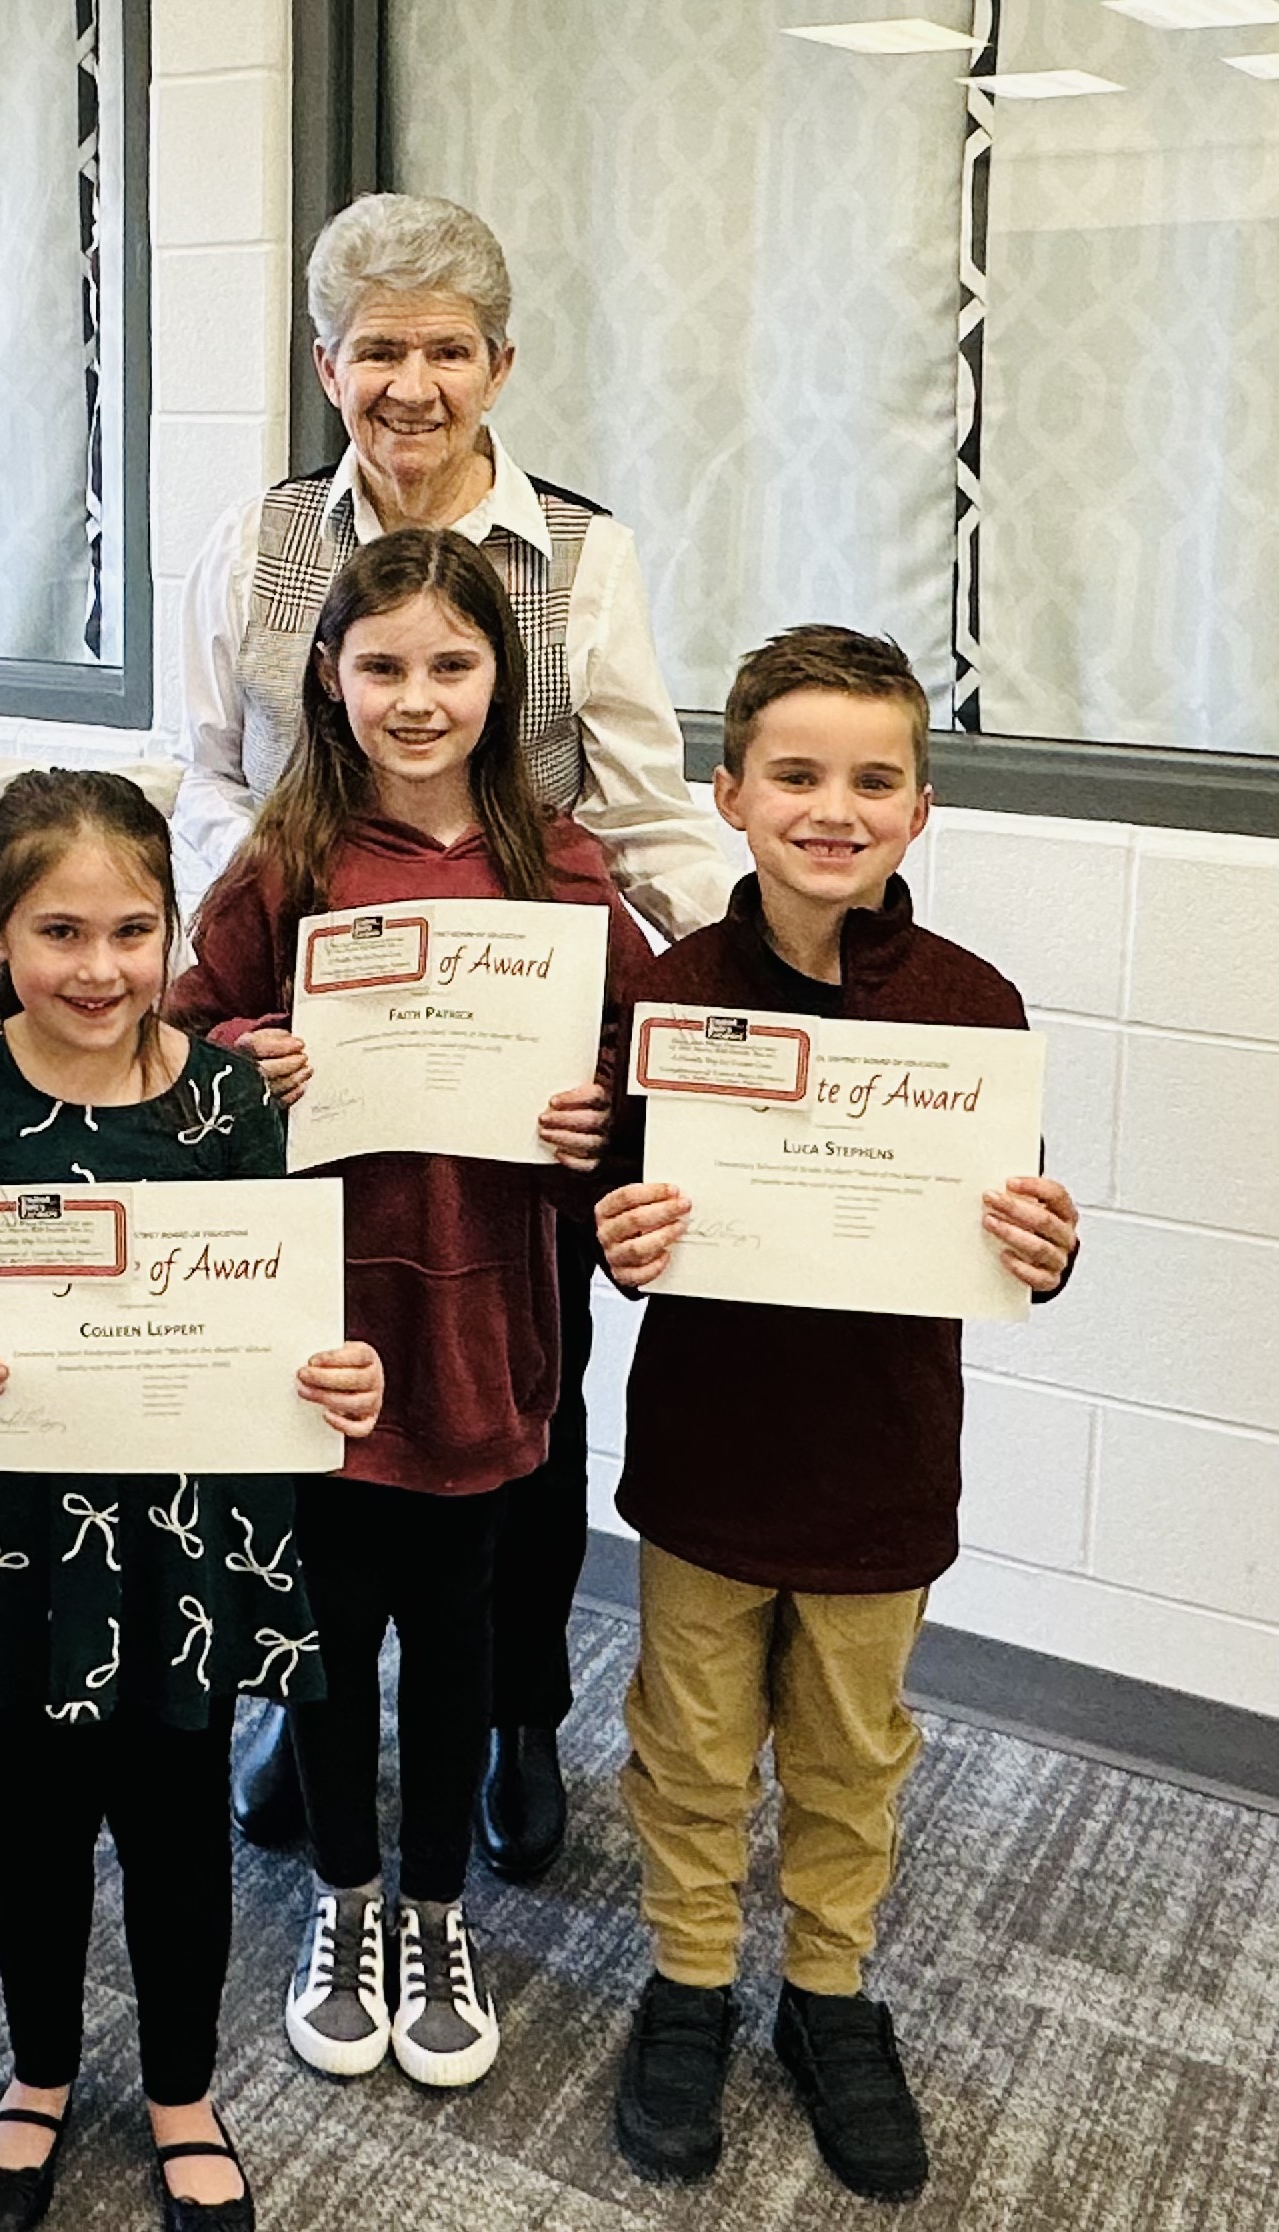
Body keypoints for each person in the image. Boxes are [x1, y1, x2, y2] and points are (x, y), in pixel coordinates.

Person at [174, 190, 735, 1879]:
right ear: (326, 363)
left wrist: (764, 970)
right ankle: (303, 1692)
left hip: (509, 1074)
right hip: (321, 1065)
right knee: (308, 1398)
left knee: (524, 1410)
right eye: (376, 352)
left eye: (445, 351)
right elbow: (202, 764)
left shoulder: (583, 555)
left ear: (497, 365)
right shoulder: (254, 540)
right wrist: (270, 941)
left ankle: (510, 1715)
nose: (410, 385)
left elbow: (639, 812)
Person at [593, 626, 1079, 2203]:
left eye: (874, 779)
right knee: (688, 1743)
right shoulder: (673, 994)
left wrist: (1046, 1252)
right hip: (708, 1457)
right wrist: (621, 1229)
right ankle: (685, 1983)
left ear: (920, 808)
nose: (833, 807)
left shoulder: (969, 1005)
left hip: (878, 1469)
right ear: (726, 793)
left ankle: (824, 1993)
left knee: (853, 1749)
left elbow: (1014, 1232)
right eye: (794, 774)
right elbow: (620, 1202)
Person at [0, 769, 384, 2232]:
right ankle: (36, 2076)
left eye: (133, 932)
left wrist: (334, 1378)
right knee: (29, 1821)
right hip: (20, 1528)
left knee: (174, 1822)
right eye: (58, 933)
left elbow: (285, 1309)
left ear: (173, 931)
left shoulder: (225, 1094)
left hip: (189, 1535)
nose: (99, 970)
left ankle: (178, 2091)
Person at [171, 529, 649, 2091]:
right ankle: (346, 1899)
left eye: (453, 664)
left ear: (503, 681)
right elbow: (179, 1043)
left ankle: (434, 1906)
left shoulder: (559, 867)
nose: (418, 697)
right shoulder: (283, 862)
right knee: (318, 1631)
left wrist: (600, 1125)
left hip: (483, 1320)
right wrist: (248, 1051)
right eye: (382, 666)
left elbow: (650, 1075)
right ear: (329, 678)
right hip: (318, 1318)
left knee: (455, 1635)